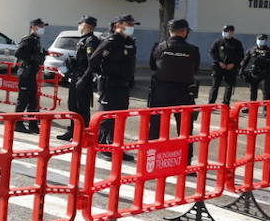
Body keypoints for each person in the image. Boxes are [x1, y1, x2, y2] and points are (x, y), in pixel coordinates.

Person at [81, 15, 137, 146]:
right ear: (118, 25)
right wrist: (102, 74)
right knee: (107, 116)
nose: (131, 27)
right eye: (128, 24)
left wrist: (130, 78)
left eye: (132, 24)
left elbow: (130, 62)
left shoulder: (129, 42)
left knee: (120, 116)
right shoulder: (111, 41)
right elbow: (94, 60)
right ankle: (101, 144)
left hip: (123, 84)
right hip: (110, 84)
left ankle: (115, 144)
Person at [148, 19, 200, 139]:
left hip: (161, 91)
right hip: (184, 92)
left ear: (169, 31)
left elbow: (152, 66)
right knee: (185, 129)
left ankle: (152, 154)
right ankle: (186, 157)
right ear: (184, 31)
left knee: (156, 125)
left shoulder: (159, 47)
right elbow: (195, 69)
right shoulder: (193, 50)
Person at [59, 16, 100, 141]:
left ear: (86, 25)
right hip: (76, 76)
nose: (79, 26)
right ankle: (72, 131)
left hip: (83, 78)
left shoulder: (91, 41)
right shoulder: (83, 40)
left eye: (80, 24)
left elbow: (92, 63)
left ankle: (82, 133)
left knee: (82, 107)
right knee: (73, 106)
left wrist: (85, 79)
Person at [12, 19, 47, 133]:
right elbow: (18, 53)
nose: (42, 28)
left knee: (33, 101)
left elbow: (37, 54)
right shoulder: (28, 39)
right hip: (26, 73)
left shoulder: (37, 40)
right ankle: (17, 123)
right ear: (33, 27)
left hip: (32, 73)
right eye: (40, 26)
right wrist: (32, 57)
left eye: (43, 26)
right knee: (23, 100)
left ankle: (33, 125)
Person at [208, 24, 244, 105]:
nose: (227, 33)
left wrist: (233, 63)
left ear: (232, 32)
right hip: (219, 67)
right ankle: (211, 103)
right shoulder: (218, 42)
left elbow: (241, 55)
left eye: (228, 31)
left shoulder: (237, 43)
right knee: (215, 85)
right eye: (225, 31)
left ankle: (226, 103)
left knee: (229, 86)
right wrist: (219, 62)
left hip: (231, 67)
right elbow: (212, 52)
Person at [240, 34, 270, 101]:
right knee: (253, 91)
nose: (260, 41)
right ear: (256, 40)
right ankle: (252, 107)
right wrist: (241, 70)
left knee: (266, 91)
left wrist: (265, 60)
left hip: (265, 74)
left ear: (266, 41)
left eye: (262, 40)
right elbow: (245, 61)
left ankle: (266, 109)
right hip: (254, 73)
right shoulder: (252, 50)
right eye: (259, 39)